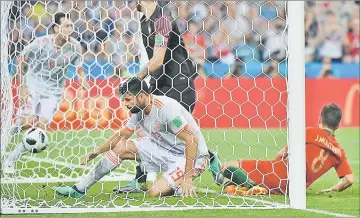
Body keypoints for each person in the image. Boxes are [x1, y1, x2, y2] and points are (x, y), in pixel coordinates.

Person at [115, 0, 222, 193]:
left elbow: (157, 60)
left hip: (178, 81)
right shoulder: (144, 20)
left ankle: (205, 159)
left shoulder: (162, 19)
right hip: (160, 81)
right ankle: (140, 181)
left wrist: (135, 79)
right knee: (145, 129)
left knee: (177, 135)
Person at [55, 77, 210, 198]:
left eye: (127, 99)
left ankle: (191, 174)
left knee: (155, 192)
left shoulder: (166, 108)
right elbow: (122, 135)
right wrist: (97, 151)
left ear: (142, 96)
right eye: (123, 99)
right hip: (163, 150)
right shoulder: (138, 110)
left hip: (191, 157)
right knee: (122, 147)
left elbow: (191, 139)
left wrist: (187, 177)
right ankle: (79, 189)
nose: (125, 104)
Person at [3, 13, 87, 174]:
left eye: (71, 26)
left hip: (54, 91)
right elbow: (21, 60)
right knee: (26, 122)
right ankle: (7, 138)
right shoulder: (40, 43)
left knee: (41, 130)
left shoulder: (75, 46)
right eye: (66, 26)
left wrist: (82, 79)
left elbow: (79, 68)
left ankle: (10, 159)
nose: (70, 29)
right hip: (34, 84)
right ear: (56, 28)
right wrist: (22, 88)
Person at [221, 103, 354, 195]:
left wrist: (272, 168)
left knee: (227, 167)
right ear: (338, 125)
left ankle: (251, 185)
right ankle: (247, 185)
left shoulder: (309, 132)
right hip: (294, 190)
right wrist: (332, 190)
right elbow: (349, 180)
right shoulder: (339, 152)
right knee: (231, 181)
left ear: (320, 119)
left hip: (276, 174)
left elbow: (281, 155)